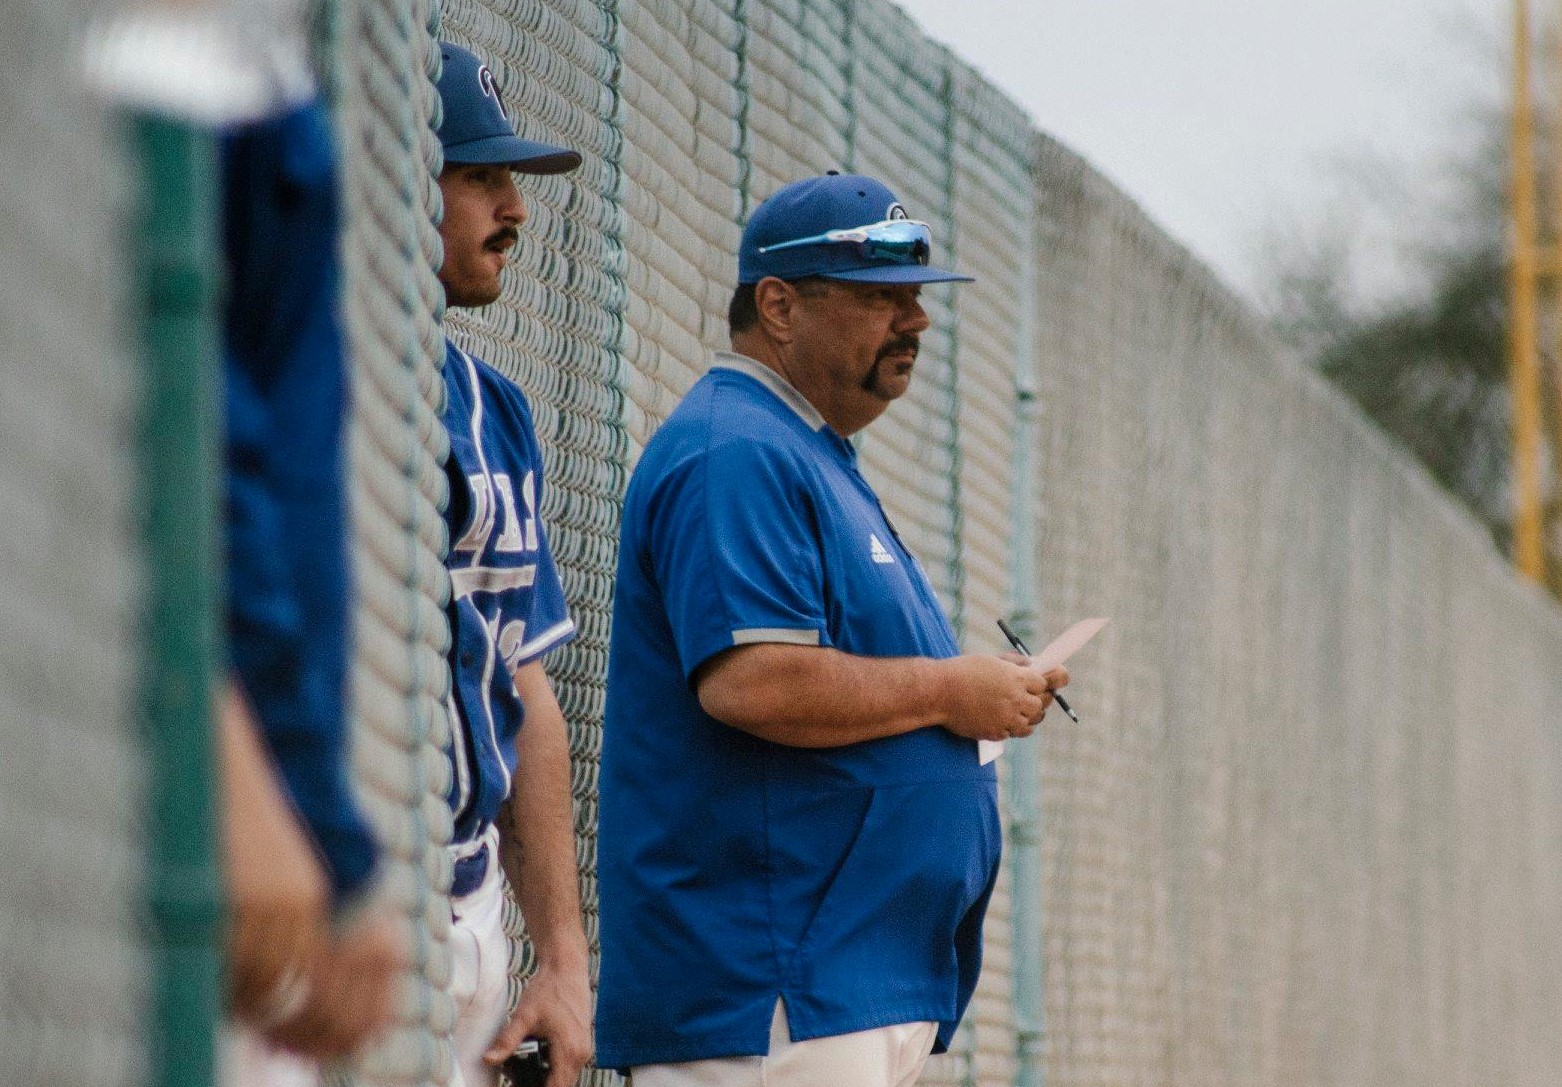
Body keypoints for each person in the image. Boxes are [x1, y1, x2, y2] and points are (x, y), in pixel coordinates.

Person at [595, 172, 1070, 1086]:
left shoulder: (808, 451)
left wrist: (969, 689)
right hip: (766, 993)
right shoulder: (734, 447)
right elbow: (753, 681)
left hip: (839, 984)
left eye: (916, 298)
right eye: (878, 298)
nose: (915, 321)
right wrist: (950, 688)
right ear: (778, 304)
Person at [430, 40, 593, 1087]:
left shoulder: (497, 410)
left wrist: (564, 959)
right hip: (326, 888)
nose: (514, 207)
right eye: (480, 175)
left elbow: (522, 678)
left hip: (472, 899)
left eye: (513, 179)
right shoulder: (305, 380)